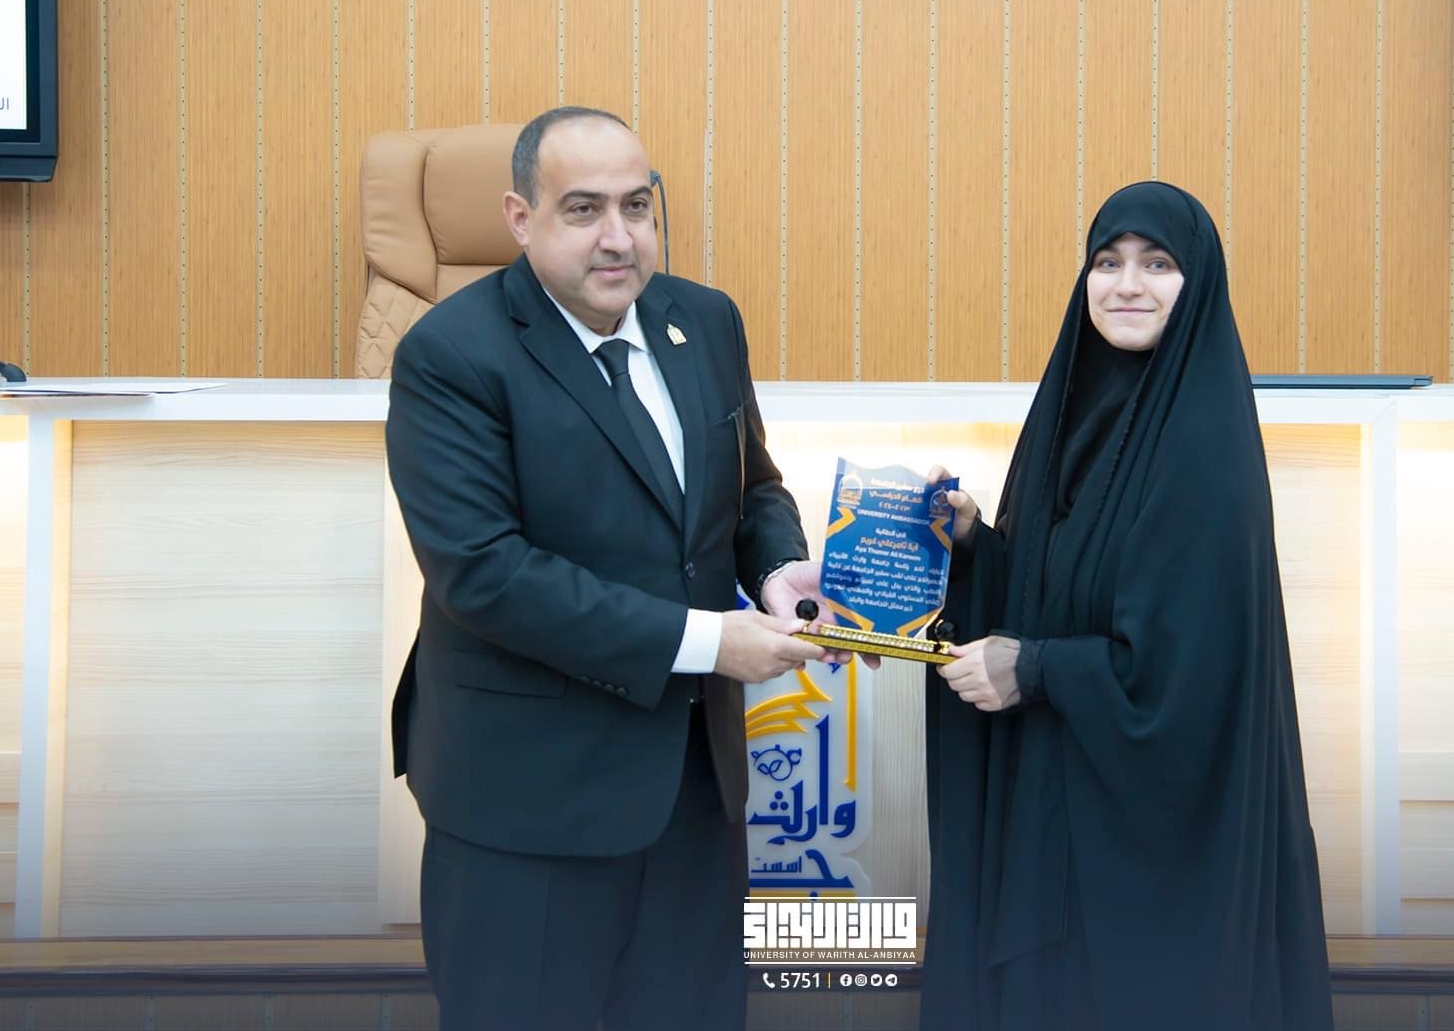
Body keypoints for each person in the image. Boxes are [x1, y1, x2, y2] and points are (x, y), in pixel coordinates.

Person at [385, 105, 832, 1031]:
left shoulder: (704, 320)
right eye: (583, 209)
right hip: (528, 803)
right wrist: (710, 642)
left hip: (693, 791)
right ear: (520, 218)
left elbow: (750, 485)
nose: (619, 237)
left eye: (637, 206)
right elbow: (485, 573)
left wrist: (780, 568)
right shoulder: (450, 354)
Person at [922, 181, 1334, 1030]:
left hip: (1151, 867)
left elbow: (1190, 677)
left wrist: (1036, 669)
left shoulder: (1203, 447)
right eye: (1106, 263)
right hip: (1066, 826)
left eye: (1158, 264)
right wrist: (973, 547)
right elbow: (1061, 588)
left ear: (1198, 283)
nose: (1127, 285)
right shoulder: (1074, 414)